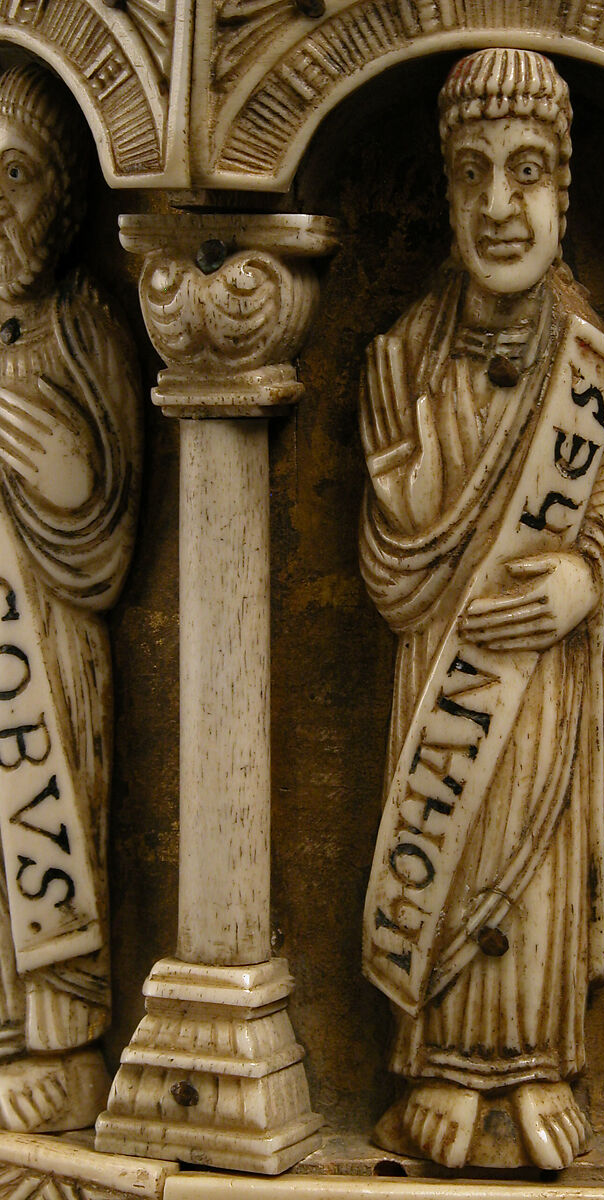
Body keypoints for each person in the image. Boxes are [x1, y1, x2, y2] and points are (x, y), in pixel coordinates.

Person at [359, 48, 604, 1170]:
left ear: (566, 195)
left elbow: (603, 510)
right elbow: (385, 566)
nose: (500, 205)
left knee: (538, 848)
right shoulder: (402, 354)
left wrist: (580, 579)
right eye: (473, 174)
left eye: (527, 174)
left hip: (547, 684)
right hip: (447, 680)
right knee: (450, 855)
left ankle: (534, 1068)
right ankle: (446, 1068)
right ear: (450, 193)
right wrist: (406, 517)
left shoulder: (589, 362)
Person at [0, 61, 140, 1131]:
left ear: (64, 200)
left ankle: (61, 1042)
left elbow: (111, 539)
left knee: (47, 824)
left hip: (42, 641)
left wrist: (66, 481)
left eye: (18, 177)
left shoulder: (81, 322)